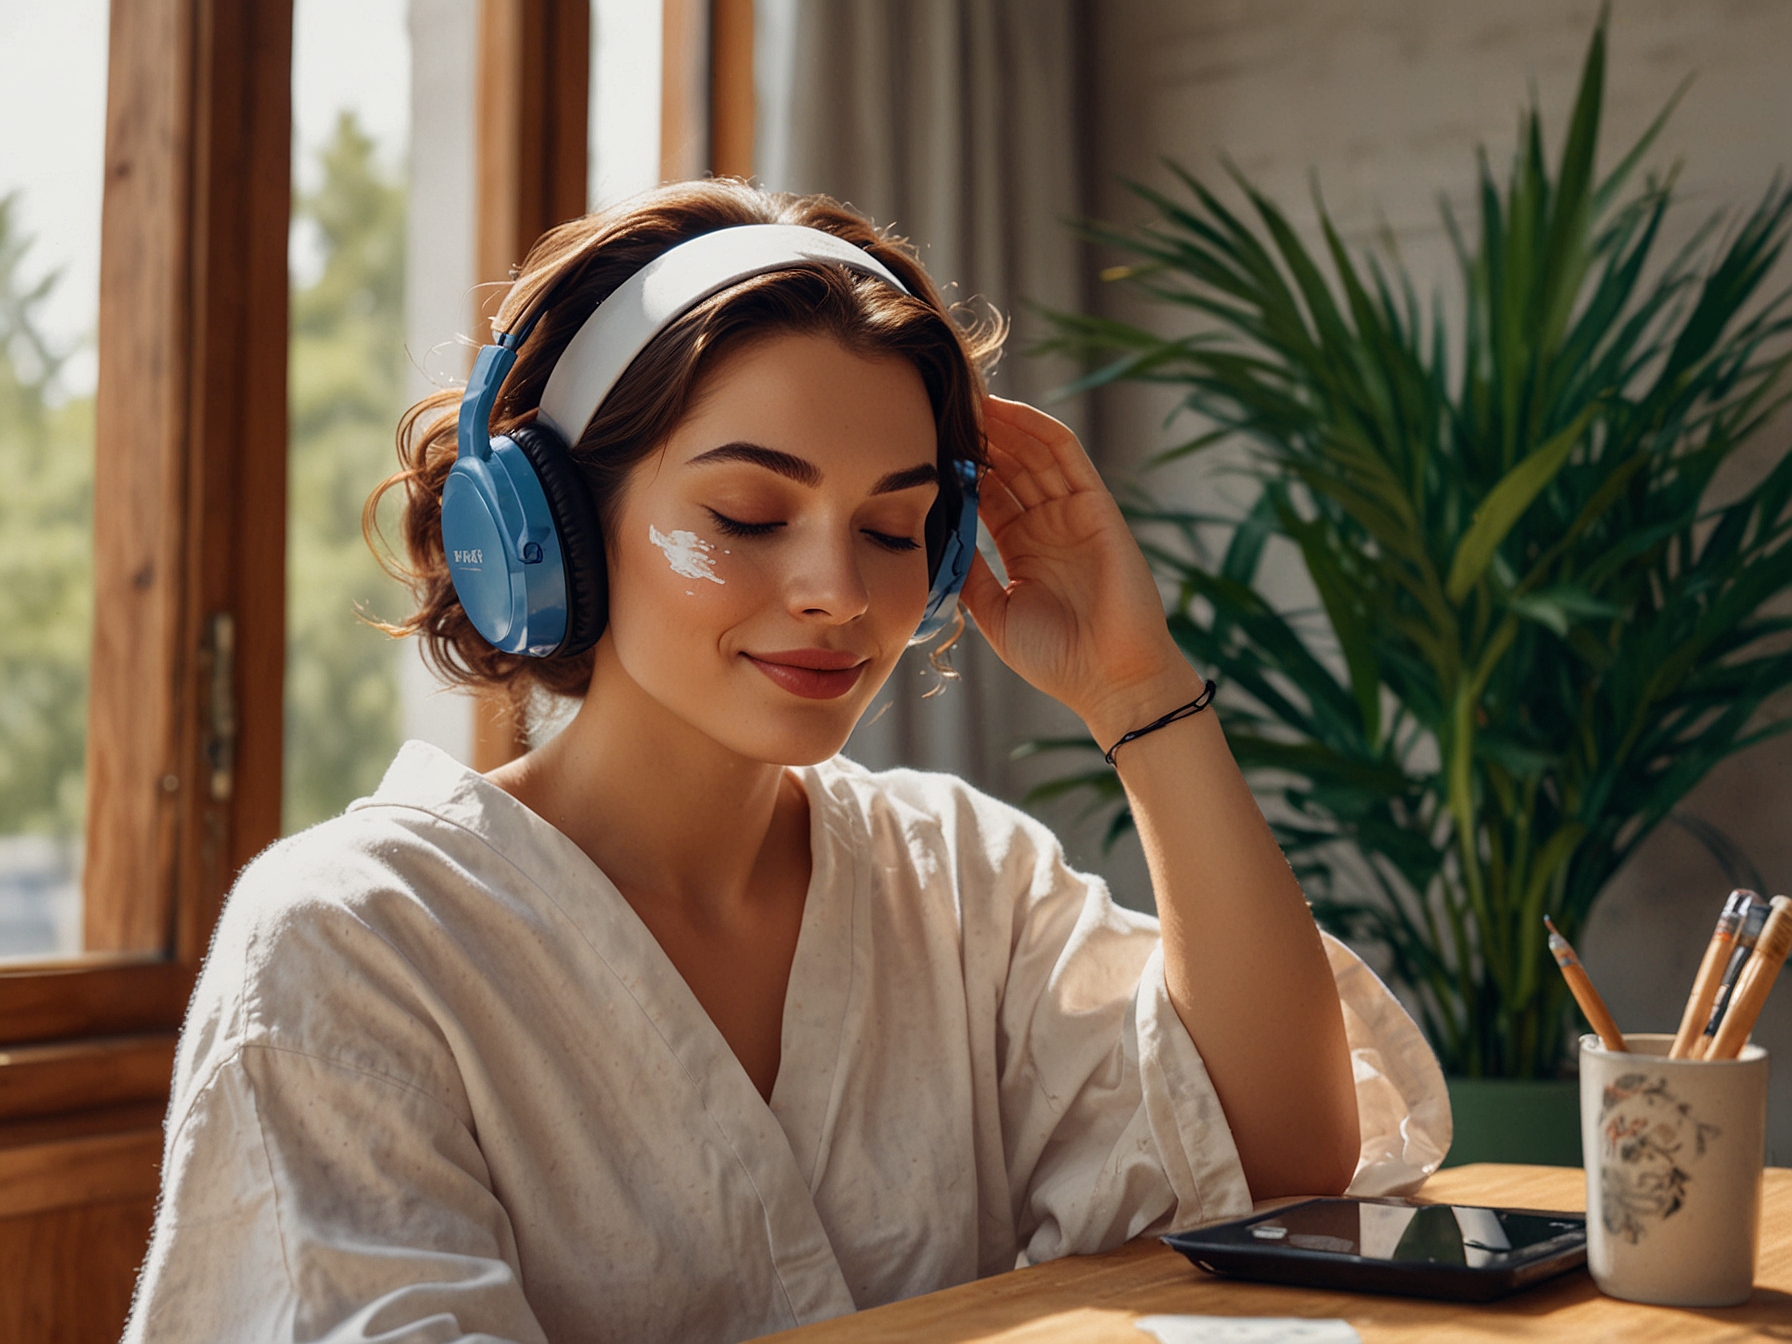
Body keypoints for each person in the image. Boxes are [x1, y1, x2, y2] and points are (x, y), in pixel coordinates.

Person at [125, 180, 1447, 1344]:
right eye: (749, 515)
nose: (837, 592)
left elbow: (1285, 1165)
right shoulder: (353, 941)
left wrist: (1140, 693)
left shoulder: (961, 880)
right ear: (551, 527)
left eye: (894, 529)